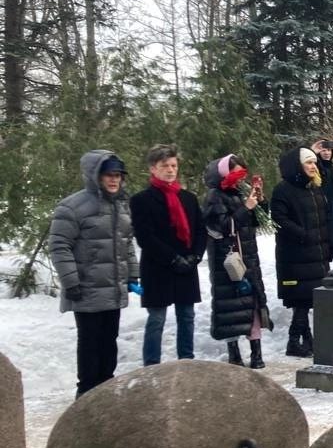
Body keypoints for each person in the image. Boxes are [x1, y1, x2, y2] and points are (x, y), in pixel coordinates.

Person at [49, 151, 140, 396]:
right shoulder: (72, 206)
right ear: (95, 175)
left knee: (109, 340)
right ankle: (87, 392)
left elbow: (126, 243)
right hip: (86, 289)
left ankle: (106, 390)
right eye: (108, 175)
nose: (114, 180)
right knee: (90, 343)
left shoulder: (121, 206)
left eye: (118, 175)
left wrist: (132, 275)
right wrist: (71, 281)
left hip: (112, 288)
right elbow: (59, 245)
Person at [130, 145, 206, 366]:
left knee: (187, 316)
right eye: (165, 166)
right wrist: (172, 258)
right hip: (158, 266)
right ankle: (152, 365)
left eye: (174, 165)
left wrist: (196, 256)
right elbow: (145, 236)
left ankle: (186, 360)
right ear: (153, 169)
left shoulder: (188, 198)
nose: (171, 170)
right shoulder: (141, 200)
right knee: (157, 319)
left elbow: (200, 229)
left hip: (187, 265)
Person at [202, 154, 271, 368]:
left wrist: (260, 202)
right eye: (236, 173)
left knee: (253, 302)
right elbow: (221, 227)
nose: (241, 178)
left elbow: (258, 223)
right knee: (230, 306)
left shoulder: (242, 192)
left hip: (249, 256)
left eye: (243, 173)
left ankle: (256, 352)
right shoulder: (214, 196)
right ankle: (234, 353)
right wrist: (246, 208)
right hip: (228, 259)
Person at [270, 146, 331, 357]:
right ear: (297, 165)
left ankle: (307, 341)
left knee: (309, 299)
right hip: (295, 256)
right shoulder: (283, 190)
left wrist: (326, 245)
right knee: (301, 300)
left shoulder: (314, 189)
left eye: (314, 163)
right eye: (309, 163)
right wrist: (303, 234)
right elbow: (279, 219)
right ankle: (295, 341)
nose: (314, 167)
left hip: (316, 255)